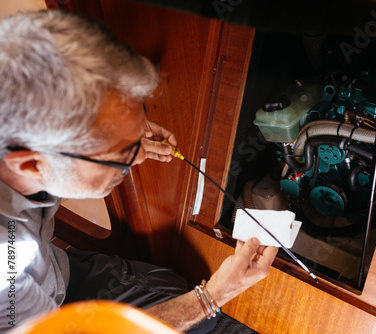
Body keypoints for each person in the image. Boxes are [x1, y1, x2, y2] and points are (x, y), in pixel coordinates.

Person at [0, 9, 278, 333]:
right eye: (121, 153)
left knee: (169, 284)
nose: (139, 155)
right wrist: (212, 297)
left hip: (55, 275)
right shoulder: (7, 271)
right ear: (32, 164)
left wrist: (121, 134)